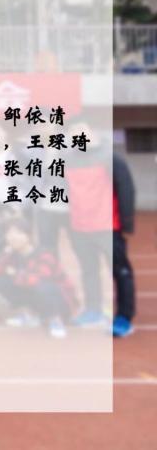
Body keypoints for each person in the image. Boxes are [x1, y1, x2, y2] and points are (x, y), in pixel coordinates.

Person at [66, 128, 136, 337]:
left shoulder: (111, 158)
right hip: (80, 227)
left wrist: (127, 223)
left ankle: (124, 317)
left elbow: (126, 189)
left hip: (108, 226)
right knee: (89, 271)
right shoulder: (68, 160)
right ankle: (93, 310)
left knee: (120, 272)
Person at [0, 217, 74, 339]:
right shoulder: (12, 254)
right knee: (1, 281)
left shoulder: (44, 254)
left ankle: (56, 320)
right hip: (36, 296)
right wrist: (6, 253)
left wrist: (14, 273)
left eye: (18, 233)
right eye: (9, 234)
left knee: (42, 286)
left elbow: (37, 279)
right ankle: (31, 315)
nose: (12, 237)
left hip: (60, 302)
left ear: (28, 236)